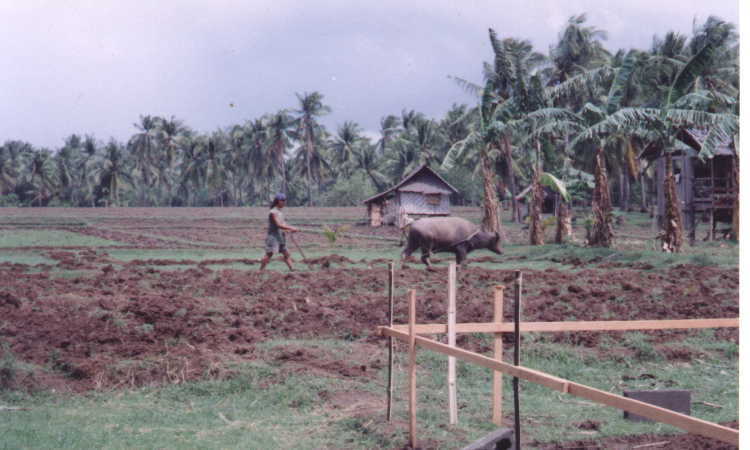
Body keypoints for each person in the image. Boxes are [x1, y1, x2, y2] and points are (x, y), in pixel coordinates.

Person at [259, 193, 299, 270]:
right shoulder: (273, 212)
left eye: (285, 200)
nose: (284, 202)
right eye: (282, 200)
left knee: (286, 253)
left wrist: (287, 230)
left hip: (280, 236)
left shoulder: (280, 212)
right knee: (269, 254)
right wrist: (291, 228)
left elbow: (283, 224)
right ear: (278, 201)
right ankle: (260, 271)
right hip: (273, 237)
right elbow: (278, 225)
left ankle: (292, 269)